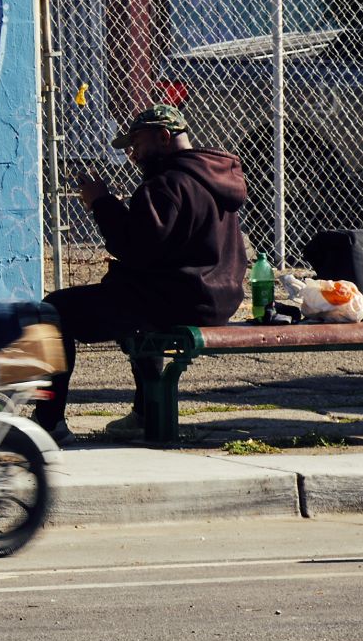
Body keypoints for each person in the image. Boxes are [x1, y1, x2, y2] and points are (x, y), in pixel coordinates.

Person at [43, 100, 250, 437]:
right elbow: (162, 250)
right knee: (127, 299)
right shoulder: (212, 178)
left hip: (175, 300)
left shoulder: (168, 184)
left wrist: (101, 201)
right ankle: (144, 412)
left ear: (164, 137)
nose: (134, 154)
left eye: (138, 143)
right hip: (214, 299)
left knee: (52, 312)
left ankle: (49, 422)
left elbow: (134, 246)